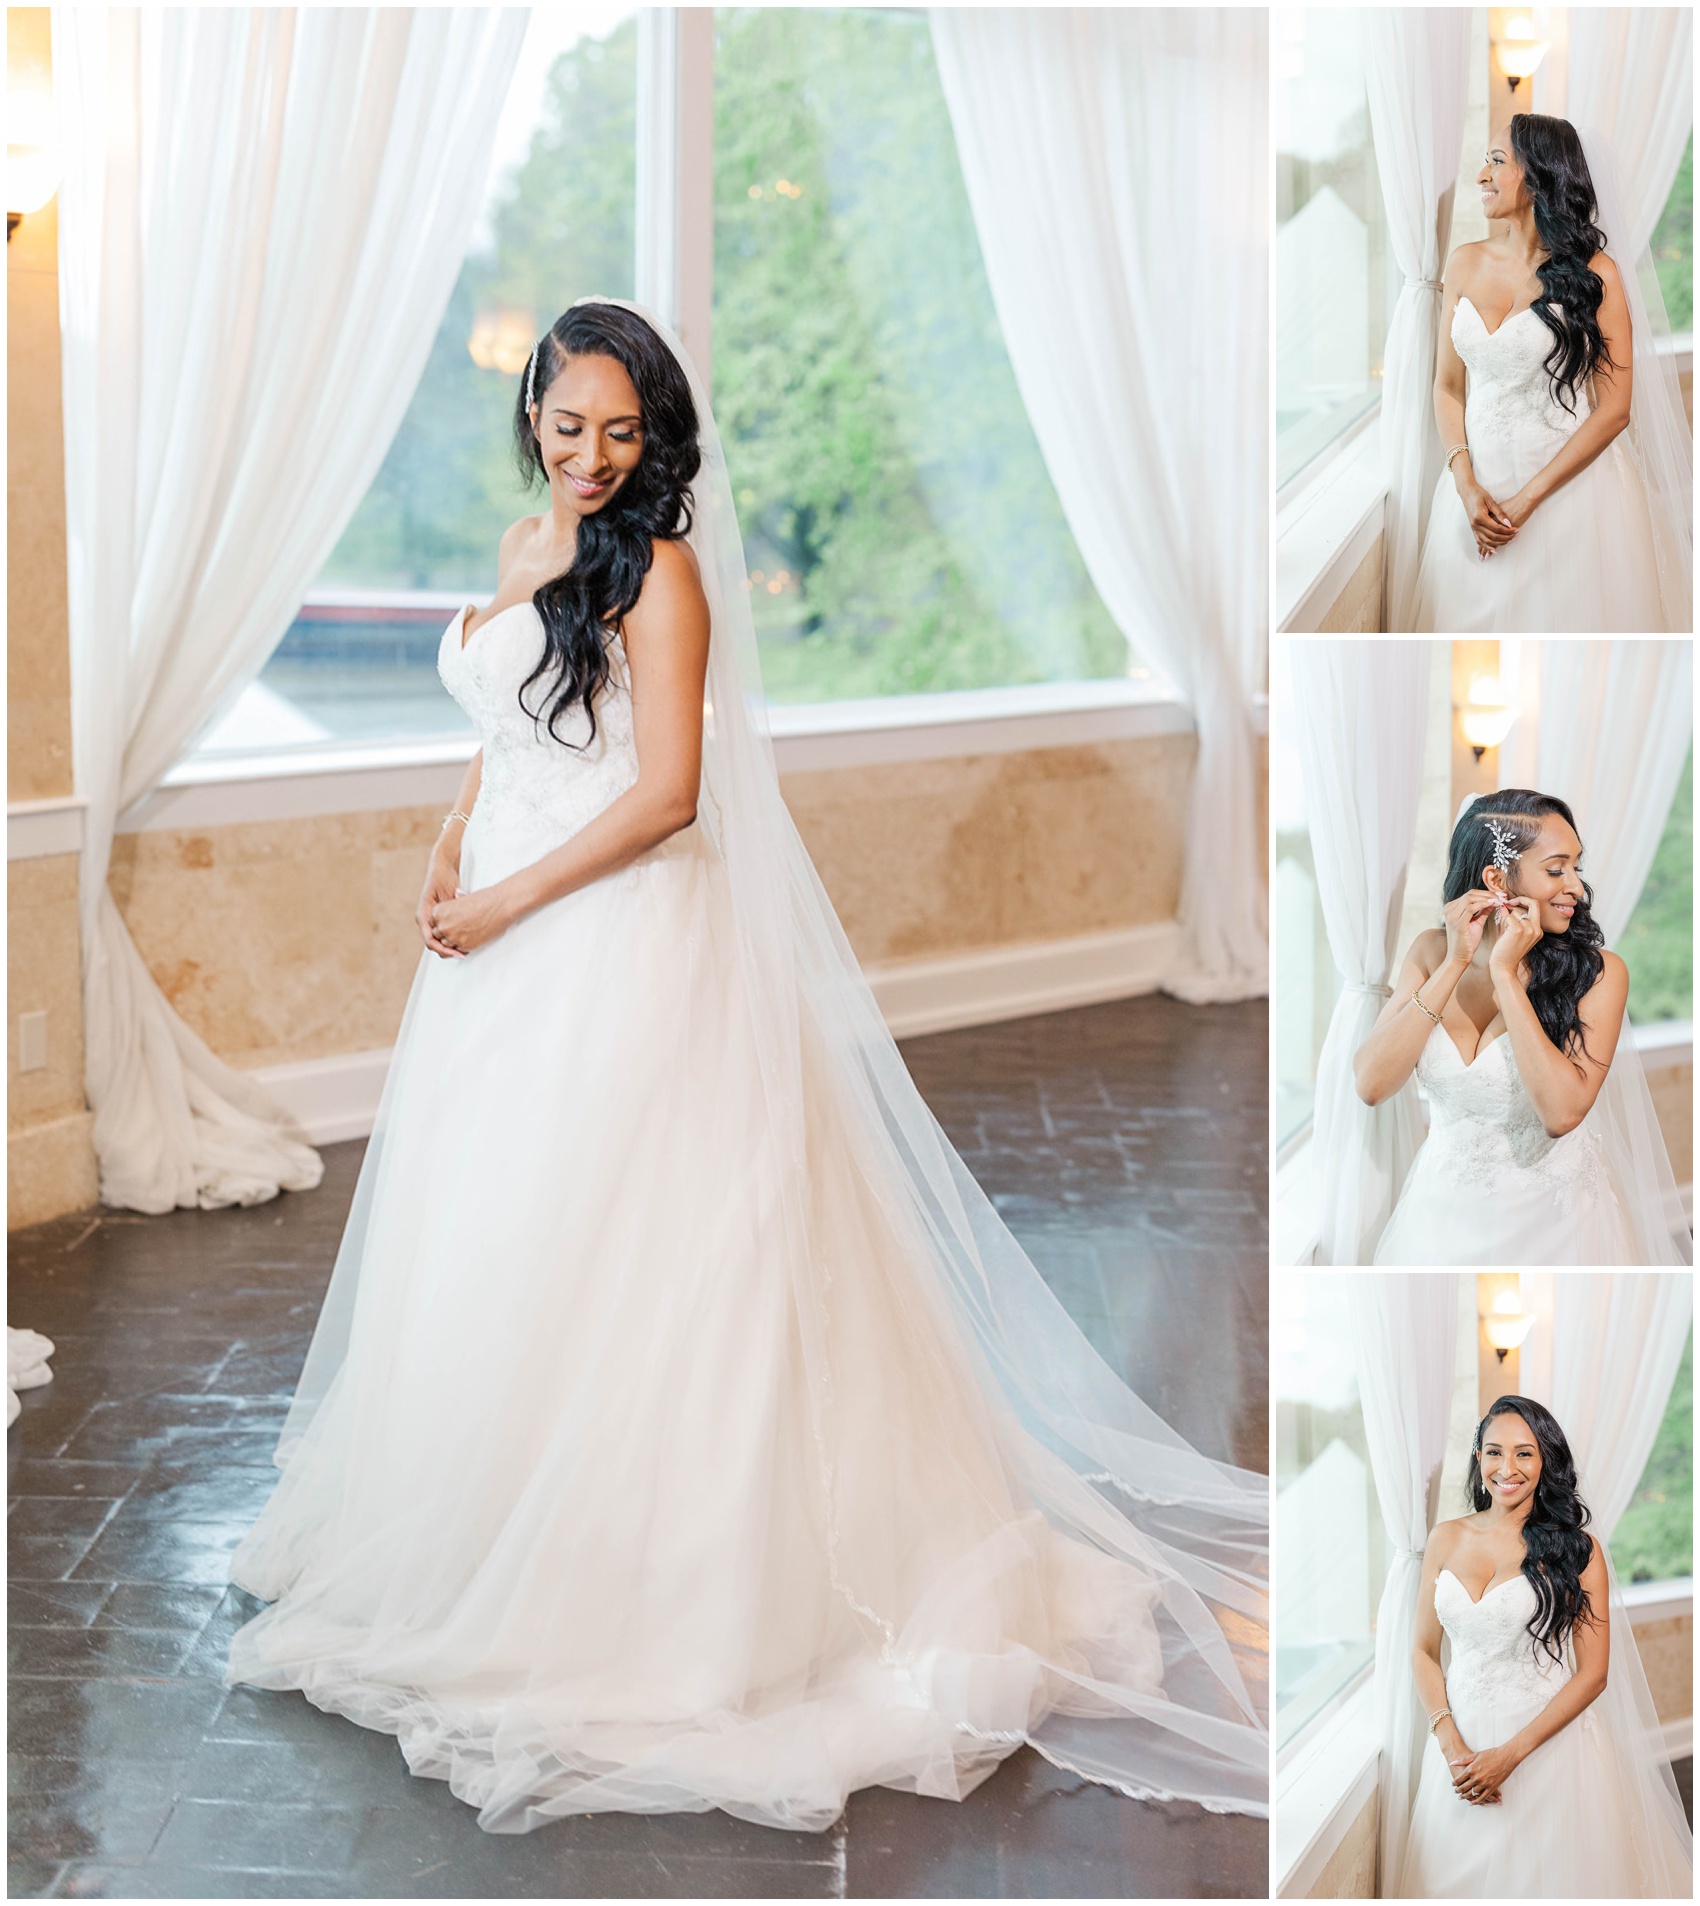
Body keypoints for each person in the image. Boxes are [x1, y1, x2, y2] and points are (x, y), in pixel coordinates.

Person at [222, 298, 1268, 1834]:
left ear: (657, 439)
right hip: (490, 946)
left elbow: (664, 795)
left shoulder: (665, 573)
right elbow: (508, 723)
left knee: (635, 1250)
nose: (588, 456)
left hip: (610, 936)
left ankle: (667, 1590)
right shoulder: (525, 550)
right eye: (566, 425)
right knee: (495, 1243)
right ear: (531, 419)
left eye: (619, 432)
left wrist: (509, 895)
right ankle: (485, 1526)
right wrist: (456, 837)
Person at [1354, 791, 1687, 1266]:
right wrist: (1455, 961)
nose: (1575, 885)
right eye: (1556, 870)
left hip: (1556, 1229)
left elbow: (1561, 1114)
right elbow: (1370, 1085)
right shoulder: (1430, 953)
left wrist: (1506, 978)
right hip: (1438, 1218)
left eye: (1576, 866)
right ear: (1496, 879)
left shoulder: (1599, 974)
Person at [1395, 1397, 1690, 1897]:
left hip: (1547, 1753)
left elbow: (1593, 1674)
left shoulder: (1578, 1549)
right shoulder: (1444, 1539)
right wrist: (1450, 1743)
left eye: (1524, 1454)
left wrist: (1508, 1756)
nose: (1506, 1468)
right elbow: (1423, 1650)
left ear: (1547, 1460)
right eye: (1493, 1452)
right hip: (1457, 1754)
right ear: (1477, 1458)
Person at [1412, 115, 1691, 633]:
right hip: (1474, 497)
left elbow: (1614, 410)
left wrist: (1528, 499)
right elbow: (1447, 388)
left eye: (1496, 162)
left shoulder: (1596, 274)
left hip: (1569, 498)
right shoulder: (1464, 264)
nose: (1481, 177)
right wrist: (1466, 484)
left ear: (1539, 176)